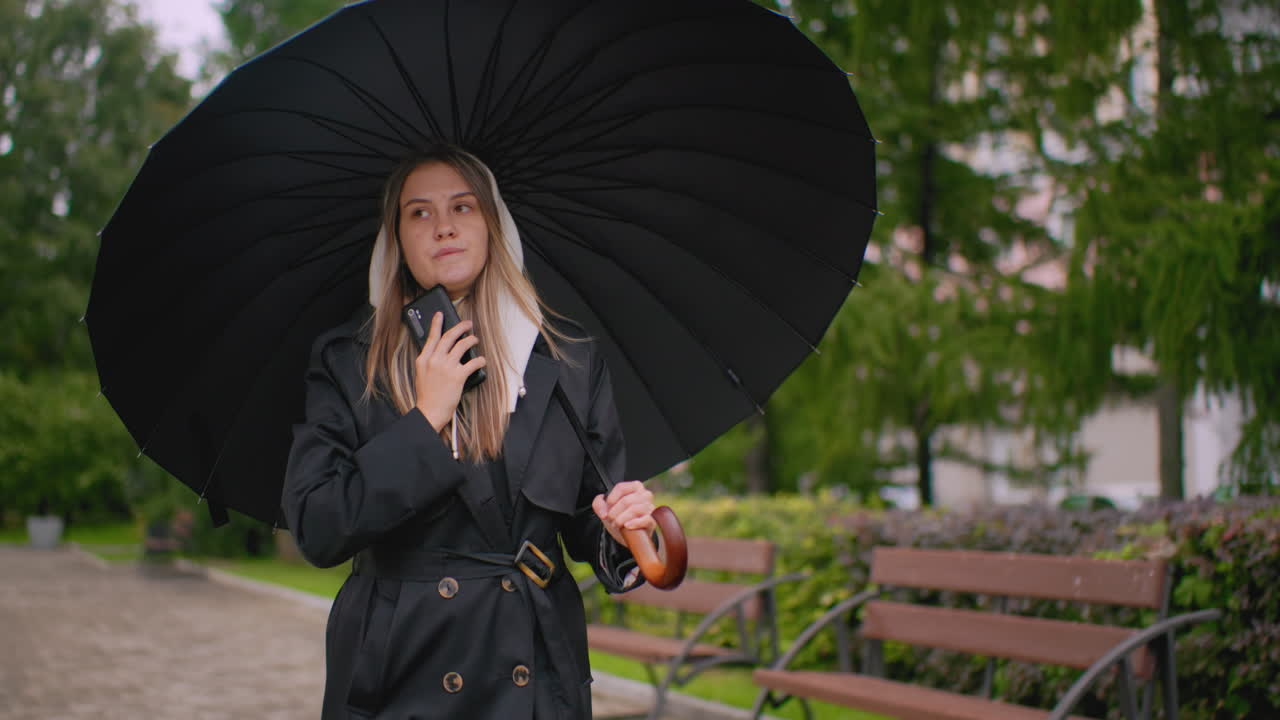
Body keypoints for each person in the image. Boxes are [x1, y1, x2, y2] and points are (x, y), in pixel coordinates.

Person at [282, 146, 658, 720]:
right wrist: (424, 420)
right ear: (397, 238)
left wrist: (619, 527)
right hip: (401, 668)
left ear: (492, 222)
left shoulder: (565, 357)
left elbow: (587, 518)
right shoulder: (347, 362)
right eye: (420, 213)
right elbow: (318, 525)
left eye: (463, 206)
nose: (445, 227)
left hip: (534, 666)